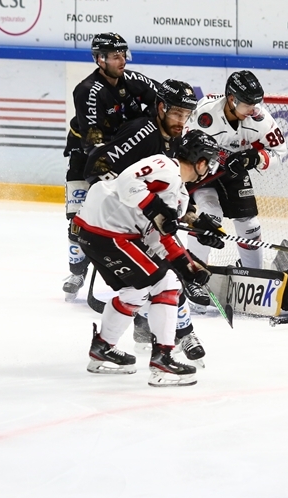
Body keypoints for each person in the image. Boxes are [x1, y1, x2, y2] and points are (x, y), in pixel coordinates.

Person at [73, 130, 225, 386]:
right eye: (209, 163)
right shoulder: (165, 165)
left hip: (99, 233)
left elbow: (159, 237)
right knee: (167, 284)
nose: (209, 169)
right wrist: (155, 208)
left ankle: (102, 349)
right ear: (200, 162)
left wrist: (188, 265)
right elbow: (126, 182)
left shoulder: (180, 194)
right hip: (108, 231)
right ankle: (163, 359)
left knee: (135, 292)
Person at [82, 79, 213, 360]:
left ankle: (146, 334)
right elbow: (99, 166)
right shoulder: (142, 132)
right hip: (112, 218)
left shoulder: (177, 139)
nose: (182, 121)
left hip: (135, 218)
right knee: (164, 276)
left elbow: (170, 185)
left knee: (151, 281)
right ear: (161, 107)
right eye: (177, 113)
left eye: (187, 114)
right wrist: (139, 209)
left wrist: (193, 217)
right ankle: (180, 335)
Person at [63, 33, 159, 302]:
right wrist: (103, 177)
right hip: (86, 158)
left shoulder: (133, 80)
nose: (122, 61)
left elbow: (161, 100)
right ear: (99, 59)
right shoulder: (87, 91)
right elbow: (94, 141)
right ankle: (76, 271)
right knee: (76, 219)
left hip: (120, 154)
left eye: (123, 54)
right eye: (115, 56)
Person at [184, 70, 288, 272]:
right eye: (248, 104)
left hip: (234, 173)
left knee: (250, 225)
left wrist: (255, 158)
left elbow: (279, 152)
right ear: (232, 99)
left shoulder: (261, 121)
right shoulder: (204, 114)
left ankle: (254, 277)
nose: (254, 109)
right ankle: (194, 276)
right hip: (202, 173)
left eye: (256, 103)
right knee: (209, 216)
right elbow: (182, 150)